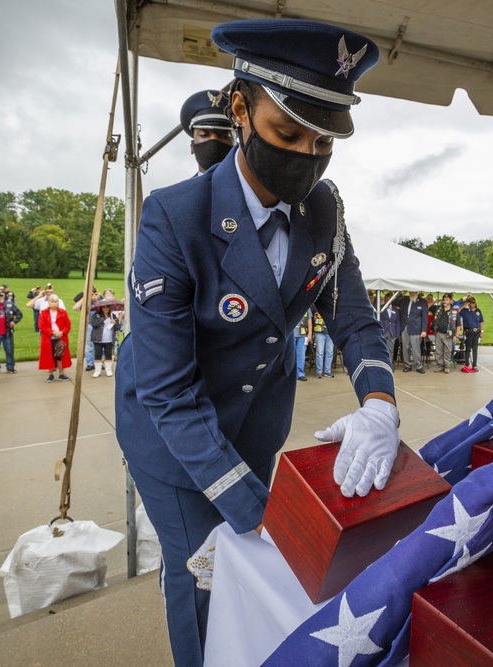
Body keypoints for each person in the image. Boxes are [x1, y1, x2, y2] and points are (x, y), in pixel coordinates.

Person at [113, 19, 396, 666]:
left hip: (254, 423)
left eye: (324, 139)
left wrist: (379, 400)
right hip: (172, 435)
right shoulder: (173, 216)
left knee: (249, 574)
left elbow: (352, 316)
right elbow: (168, 392)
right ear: (240, 109)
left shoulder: (326, 210)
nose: (306, 154)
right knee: (204, 575)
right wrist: (259, 514)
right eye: (287, 132)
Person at [180, 88, 235, 175]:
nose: (214, 139)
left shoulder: (255, 188)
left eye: (224, 135)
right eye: (204, 135)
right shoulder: (179, 189)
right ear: (192, 146)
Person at [0, 289, 22, 374]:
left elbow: (19, 314)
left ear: (4, 296)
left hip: (7, 332)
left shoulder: (10, 304)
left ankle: (10, 367)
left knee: (9, 350)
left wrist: (14, 321)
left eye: (1, 295)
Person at [38, 294, 71, 382]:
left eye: (55, 302)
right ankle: (51, 374)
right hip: (48, 338)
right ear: (49, 303)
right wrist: (52, 332)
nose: (54, 303)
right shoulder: (44, 313)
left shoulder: (63, 312)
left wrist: (62, 332)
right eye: (52, 302)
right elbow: (41, 325)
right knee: (50, 356)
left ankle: (61, 373)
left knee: (60, 355)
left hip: (60, 338)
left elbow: (67, 324)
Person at [89, 302, 120, 377]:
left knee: (108, 355)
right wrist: (103, 319)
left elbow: (117, 327)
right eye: (104, 307)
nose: (105, 309)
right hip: (98, 339)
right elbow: (93, 324)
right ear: (101, 308)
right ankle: (97, 370)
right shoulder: (96, 315)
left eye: (107, 307)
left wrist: (115, 322)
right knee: (98, 355)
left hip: (109, 339)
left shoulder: (113, 315)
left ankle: (108, 369)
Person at [72, 289, 100, 372]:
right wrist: (84, 297)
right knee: (89, 345)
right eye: (92, 294)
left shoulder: (101, 301)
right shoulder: (86, 303)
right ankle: (90, 363)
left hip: (100, 326)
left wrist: (97, 300)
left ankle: (99, 362)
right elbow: (75, 308)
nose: (94, 296)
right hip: (90, 325)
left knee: (100, 345)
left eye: (95, 294)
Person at [400, 290, 427, 373]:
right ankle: (407, 365)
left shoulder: (422, 302)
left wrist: (423, 330)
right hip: (405, 327)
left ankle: (418, 366)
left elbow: (425, 317)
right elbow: (395, 302)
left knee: (416, 349)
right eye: (411, 291)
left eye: (414, 291)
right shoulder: (404, 300)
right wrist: (400, 293)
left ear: (417, 292)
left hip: (416, 328)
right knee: (405, 348)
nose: (412, 293)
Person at [431, 293, 458, 373]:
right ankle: (440, 366)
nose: (445, 301)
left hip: (448, 334)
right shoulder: (439, 309)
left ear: (450, 301)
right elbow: (428, 307)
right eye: (444, 300)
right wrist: (435, 301)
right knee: (438, 351)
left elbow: (458, 325)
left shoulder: (454, 311)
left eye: (447, 300)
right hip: (439, 333)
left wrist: (456, 335)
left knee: (447, 351)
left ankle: (446, 366)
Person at [458, 296, 484, 372]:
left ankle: (474, 364)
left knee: (475, 349)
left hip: (477, 331)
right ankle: (466, 364)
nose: (472, 304)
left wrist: (482, 331)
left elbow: (481, 322)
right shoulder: (465, 311)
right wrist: (463, 305)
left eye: (473, 303)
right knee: (468, 348)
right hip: (469, 331)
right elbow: (458, 311)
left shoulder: (478, 311)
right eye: (470, 303)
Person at [311, 307, 335, 378]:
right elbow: (311, 318)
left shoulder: (332, 306)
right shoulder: (315, 306)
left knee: (330, 352)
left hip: (330, 332)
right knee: (320, 352)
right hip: (319, 332)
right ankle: (319, 372)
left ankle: (327, 371)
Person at [292, 311, 312, 381]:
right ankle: (291, 374)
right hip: (291, 334)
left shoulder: (307, 305)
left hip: (302, 335)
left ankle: (300, 374)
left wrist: (310, 333)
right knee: (291, 355)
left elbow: (309, 319)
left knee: (301, 355)